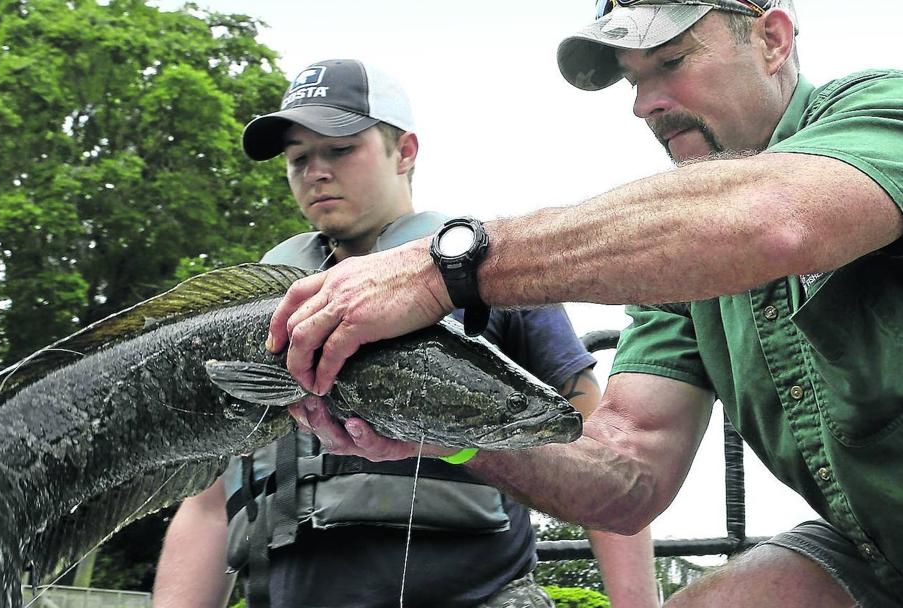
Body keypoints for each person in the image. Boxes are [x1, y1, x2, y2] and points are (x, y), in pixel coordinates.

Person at [265, 3, 903, 607]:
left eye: (672, 62)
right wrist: (454, 431)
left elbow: (775, 220)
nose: (645, 106)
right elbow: (627, 478)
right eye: (632, 79)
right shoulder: (679, 272)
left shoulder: (884, 109)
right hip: (876, 557)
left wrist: (445, 267)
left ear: (772, 40)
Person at [152, 58, 658, 608]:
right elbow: (206, 505)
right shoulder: (256, 318)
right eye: (299, 158)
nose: (316, 171)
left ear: (406, 152)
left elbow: (601, 460)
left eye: (341, 149)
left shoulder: (494, 281)